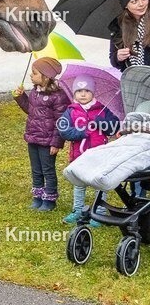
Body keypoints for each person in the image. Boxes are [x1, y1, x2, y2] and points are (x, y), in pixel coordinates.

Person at [12, 57, 70, 211]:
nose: (31, 75)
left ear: (46, 76)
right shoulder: (35, 92)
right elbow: (30, 110)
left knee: (47, 170)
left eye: (35, 73)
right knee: (36, 169)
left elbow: (61, 121)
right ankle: (38, 196)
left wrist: (56, 143)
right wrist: (20, 97)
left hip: (48, 140)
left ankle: (50, 199)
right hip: (33, 136)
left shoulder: (58, 96)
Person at [58, 79, 120, 225]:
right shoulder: (71, 111)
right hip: (80, 155)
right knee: (79, 183)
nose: (83, 94)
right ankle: (78, 210)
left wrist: (102, 123)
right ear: (74, 93)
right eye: (79, 91)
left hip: (99, 155)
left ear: (93, 93)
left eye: (87, 91)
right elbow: (64, 131)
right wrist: (82, 132)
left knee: (99, 182)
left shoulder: (102, 110)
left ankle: (99, 212)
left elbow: (114, 127)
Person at [109, 0, 150, 71]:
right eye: (134, 1)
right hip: (133, 80)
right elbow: (113, 59)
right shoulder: (118, 27)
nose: (141, 4)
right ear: (126, 5)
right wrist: (118, 57)